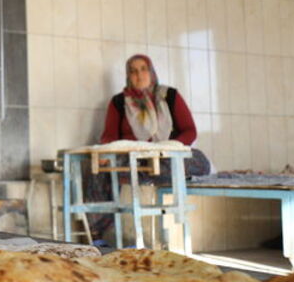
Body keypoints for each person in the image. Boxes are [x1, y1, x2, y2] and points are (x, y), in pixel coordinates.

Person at [85, 53, 211, 234]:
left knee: (199, 161)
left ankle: (157, 173)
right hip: (134, 161)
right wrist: (106, 151)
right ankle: (97, 232)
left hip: (166, 158)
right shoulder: (119, 102)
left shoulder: (169, 96)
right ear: (128, 76)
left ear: (151, 72)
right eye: (133, 71)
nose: (139, 75)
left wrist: (166, 149)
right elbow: (109, 136)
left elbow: (190, 130)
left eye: (143, 69)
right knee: (99, 167)